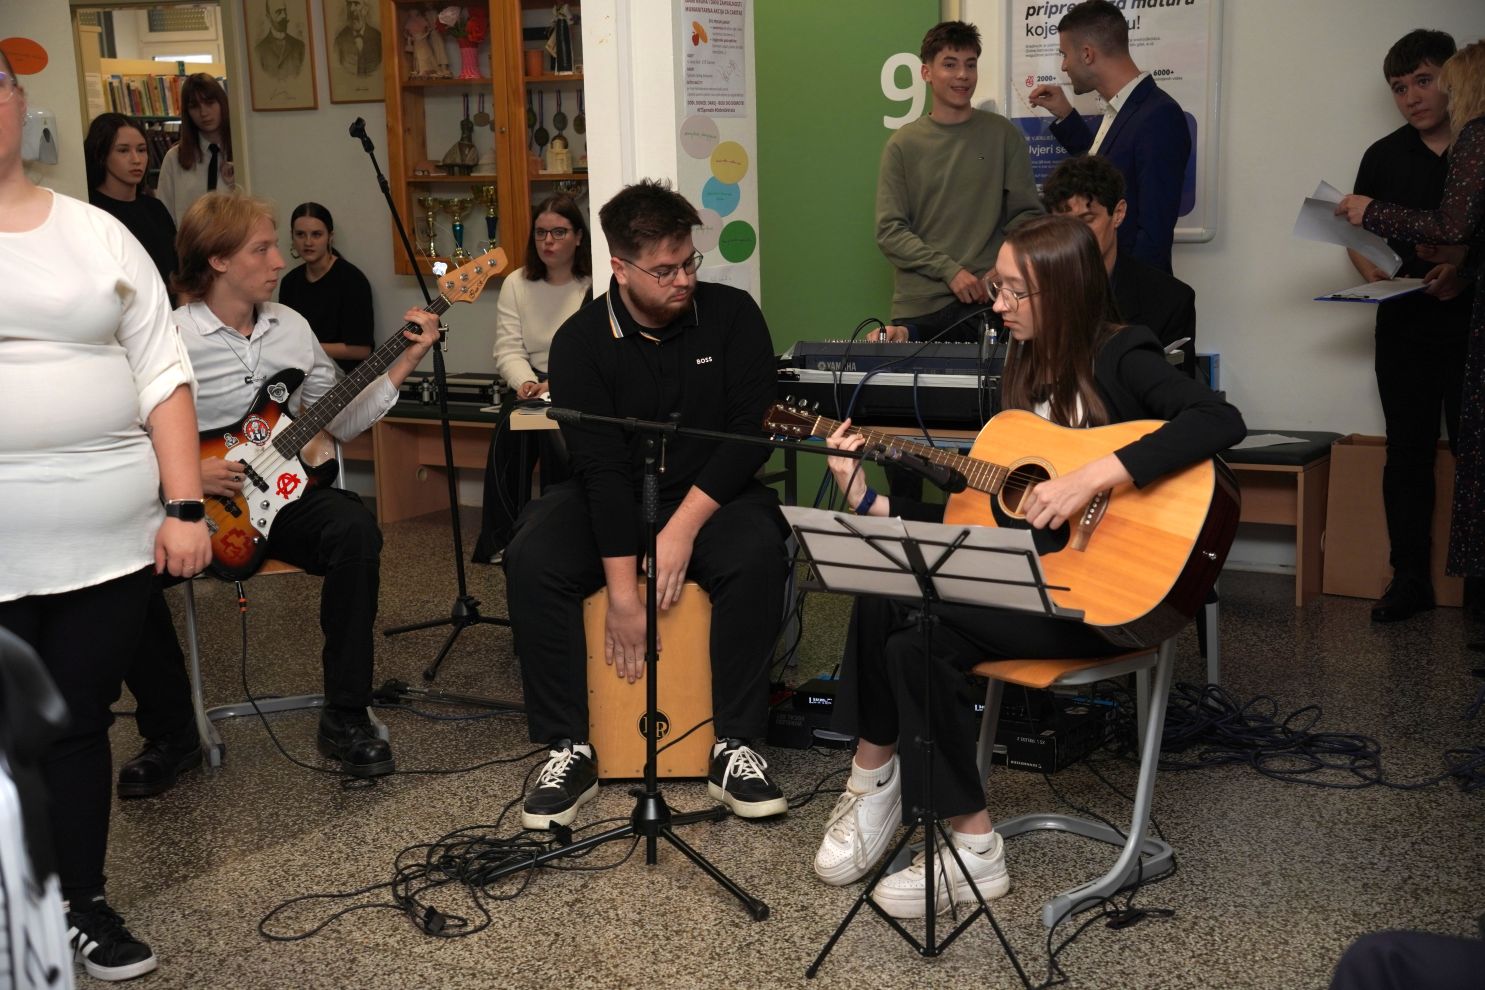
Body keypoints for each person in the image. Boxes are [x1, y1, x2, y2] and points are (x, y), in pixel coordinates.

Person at [811, 215, 1244, 918]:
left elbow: (1218, 421)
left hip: (1108, 601)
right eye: (998, 288)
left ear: (1063, 292)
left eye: (1014, 291)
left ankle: (879, 786)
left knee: (906, 616)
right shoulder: (1021, 370)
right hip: (1032, 589)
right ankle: (962, 841)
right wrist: (865, 495)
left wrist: (1092, 478)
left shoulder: (1122, 354)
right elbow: (981, 521)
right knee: (900, 612)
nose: (997, 304)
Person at [0, 47, 211, 981]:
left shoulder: (98, 235)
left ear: (20, 109)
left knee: (80, 722)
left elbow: (163, 373)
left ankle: (77, 902)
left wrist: (186, 505)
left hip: (105, 540)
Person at [118, 193, 441, 789]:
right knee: (123, 571)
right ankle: (172, 733)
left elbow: (338, 416)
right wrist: (182, 473)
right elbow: (124, 431)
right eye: (261, 248)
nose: (278, 259)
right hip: (190, 504)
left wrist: (408, 356)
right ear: (216, 260)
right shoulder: (168, 334)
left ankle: (345, 716)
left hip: (281, 495)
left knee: (354, 530)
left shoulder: (291, 325)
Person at [503, 180, 790, 829]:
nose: (682, 280)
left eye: (689, 262)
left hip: (712, 497)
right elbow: (600, 472)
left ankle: (735, 745)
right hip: (616, 497)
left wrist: (683, 527)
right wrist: (624, 596)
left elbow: (750, 431)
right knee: (532, 552)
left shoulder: (734, 315)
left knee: (756, 547)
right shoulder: (580, 343)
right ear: (619, 268)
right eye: (664, 270)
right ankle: (568, 746)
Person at [1337, 40, 1485, 624]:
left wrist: (1460, 271)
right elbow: (1356, 231)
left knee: (1476, 456)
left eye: (1422, 82)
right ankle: (1409, 579)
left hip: (1469, 323)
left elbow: (1459, 228)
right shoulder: (1383, 156)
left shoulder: (1474, 141)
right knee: (1407, 454)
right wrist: (1368, 267)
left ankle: (1477, 589)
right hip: (1402, 323)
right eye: (1399, 89)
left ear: (1451, 79)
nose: (1411, 98)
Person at [877, 20, 1041, 343]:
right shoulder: (902, 145)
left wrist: (1002, 269)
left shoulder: (1003, 136)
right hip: (920, 307)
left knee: (998, 394)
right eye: (949, 65)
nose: (962, 75)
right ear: (926, 73)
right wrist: (949, 271)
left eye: (970, 65)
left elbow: (1028, 217)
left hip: (992, 303)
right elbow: (889, 231)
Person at [1028, 0, 1190, 274]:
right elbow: (1105, 174)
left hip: (1132, 301)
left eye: (1065, 54)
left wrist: (1122, 300)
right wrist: (1066, 115)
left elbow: (1154, 234)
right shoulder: (1124, 109)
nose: (1064, 66)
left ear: (1087, 54)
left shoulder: (1159, 116)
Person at [472, 194, 590, 564]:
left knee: (560, 436)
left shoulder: (595, 283)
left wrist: (556, 385)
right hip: (530, 382)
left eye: (558, 232)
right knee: (510, 432)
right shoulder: (516, 284)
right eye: (541, 233)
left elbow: (595, 355)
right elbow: (507, 348)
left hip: (577, 383)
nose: (548, 242)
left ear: (579, 237)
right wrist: (525, 383)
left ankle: (559, 536)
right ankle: (502, 539)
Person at [1041, 153, 1197, 374]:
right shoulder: (1033, 292)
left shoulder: (1170, 300)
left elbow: (1180, 402)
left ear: (1119, 213)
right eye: (1063, 223)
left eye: (1087, 220)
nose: (1076, 234)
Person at [84, 111, 177, 292]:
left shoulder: (155, 209)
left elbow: (175, 271)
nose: (136, 160)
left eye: (141, 150)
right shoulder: (89, 211)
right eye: (123, 150)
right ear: (101, 155)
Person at [277, 202, 374, 373]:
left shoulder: (351, 280)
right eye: (300, 234)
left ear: (330, 237)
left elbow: (361, 350)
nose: (308, 242)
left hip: (343, 378)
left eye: (316, 234)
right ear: (292, 237)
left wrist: (307, 348)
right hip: (298, 370)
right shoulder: (289, 282)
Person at [156, 73, 236, 225]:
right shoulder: (175, 158)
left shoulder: (241, 153)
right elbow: (164, 214)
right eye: (194, 106)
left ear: (222, 103)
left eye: (210, 103)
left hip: (236, 243)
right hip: (190, 245)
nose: (204, 113)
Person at [257, 0, 307, 81]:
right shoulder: (259, 50)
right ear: (268, 17)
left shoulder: (300, 47)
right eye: (278, 12)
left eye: (285, 11)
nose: (284, 16)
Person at [334, 0, 382, 77]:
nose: (352, 9)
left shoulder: (378, 38)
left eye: (356, 4)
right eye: (349, 4)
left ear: (365, 9)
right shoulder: (340, 39)